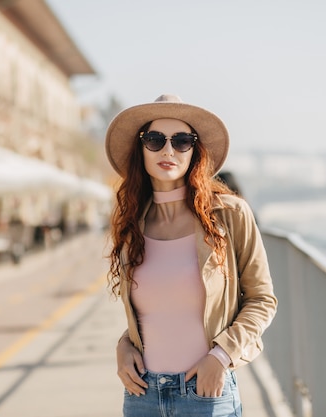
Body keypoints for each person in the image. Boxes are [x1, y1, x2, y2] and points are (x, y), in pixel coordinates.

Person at [105, 94, 277, 416]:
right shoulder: (131, 225)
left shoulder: (229, 215)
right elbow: (158, 312)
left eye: (182, 141)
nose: (168, 150)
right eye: (155, 140)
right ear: (140, 149)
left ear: (194, 150)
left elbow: (262, 299)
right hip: (142, 395)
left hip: (207, 394)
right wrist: (123, 345)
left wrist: (222, 356)